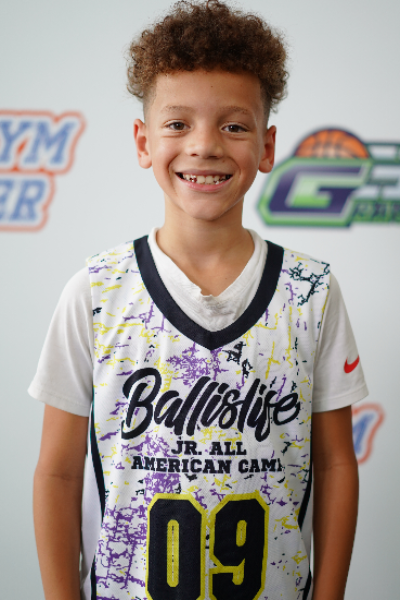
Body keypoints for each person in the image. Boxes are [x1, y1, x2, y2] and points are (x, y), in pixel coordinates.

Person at [30, 2, 368, 599]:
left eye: (233, 127)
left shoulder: (311, 291)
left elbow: (337, 463)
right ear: (143, 142)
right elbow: (57, 473)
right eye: (178, 124)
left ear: (267, 147)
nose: (205, 146)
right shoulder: (98, 291)